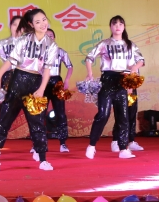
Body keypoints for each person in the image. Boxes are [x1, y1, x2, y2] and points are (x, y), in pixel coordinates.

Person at [0, 9, 58, 172]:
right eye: (38, 22)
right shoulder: (24, 40)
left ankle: (42, 159)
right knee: (5, 118)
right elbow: (11, 61)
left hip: (36, 82)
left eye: (44, 19)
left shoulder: (51, 44)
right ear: (31, 24)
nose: (43, 24)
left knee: (37, 122)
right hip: (18, 80)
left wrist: (41, 89)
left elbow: (47, 69)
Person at [84, 15, 144, 160]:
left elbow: (141, 60)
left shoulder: (130, 44)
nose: (118, 26)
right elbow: (89, 57)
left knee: (123, 116)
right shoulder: (104, 43)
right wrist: (90, 73)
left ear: (124, 27)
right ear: (110, 27)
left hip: (123, 80)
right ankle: (92, 145)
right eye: (114, 24)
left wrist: (134, 69)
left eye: (120, 24)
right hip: (108, 80)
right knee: (103, 114)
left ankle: (123, 149)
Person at [42, 28, 73, 153]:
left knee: (60, 113)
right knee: (40, 114)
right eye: (46, 35)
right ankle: (38, 143)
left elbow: (70, 67)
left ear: (54, 38)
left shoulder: (60, 51)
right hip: (42, 82)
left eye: (51, 35)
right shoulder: (38, 52)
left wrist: (67, 80)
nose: (49, 37)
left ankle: (63, 143)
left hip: (56, 82)